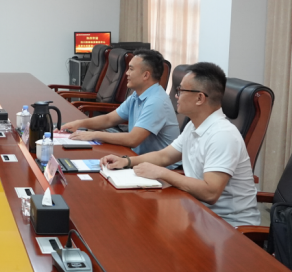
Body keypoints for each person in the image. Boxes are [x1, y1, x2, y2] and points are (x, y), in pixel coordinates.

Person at [101, 62, 260, 227]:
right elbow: (164, 156)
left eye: (181, 91)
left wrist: (162, 173)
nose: (176, 96)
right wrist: (126, 161)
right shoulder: (194, 125)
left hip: (229, 226)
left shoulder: (222, 135)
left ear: (200, 98)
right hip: (197, 213)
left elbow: (210, 193)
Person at [61, 49, 179, 155]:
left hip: (161, 167)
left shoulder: (156, 102)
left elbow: (133, 139)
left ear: (146, 75)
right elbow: (109, 119)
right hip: (139, 157)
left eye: (131, 69)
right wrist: (79, 123)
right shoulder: (137, 95)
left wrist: (95, 134)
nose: (127, 73)